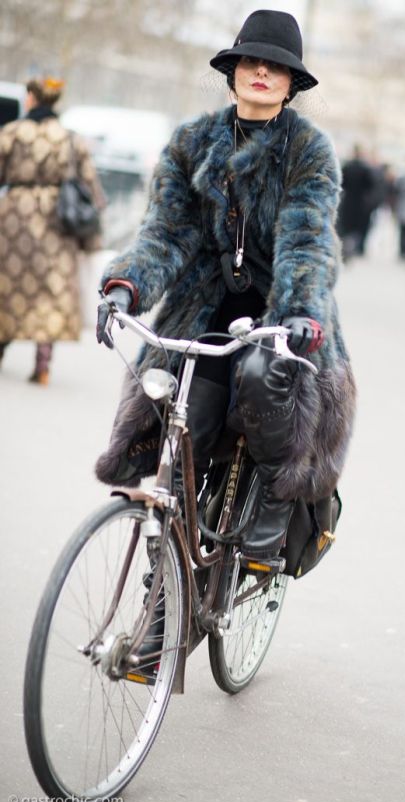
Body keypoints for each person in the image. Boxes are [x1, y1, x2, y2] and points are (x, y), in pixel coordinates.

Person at [95, 9, 356, 560]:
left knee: (266, 375)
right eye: (251, 60)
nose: (261, 71)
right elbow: (166, 233)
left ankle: (274, 500)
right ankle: (167, 589)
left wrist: (301, 310)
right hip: (205, 310)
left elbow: (306, 239)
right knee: (184, 428)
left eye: (276, 66)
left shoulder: (309, 150)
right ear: (233, 70)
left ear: (291, 84)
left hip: (282, 313)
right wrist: (126, 285)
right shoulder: (192, 141)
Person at [0, 76, 104, 384]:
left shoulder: (11, 133)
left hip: (14, 216)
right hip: (58, 219)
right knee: (51, 291)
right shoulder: (72, 139)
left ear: (31, 98)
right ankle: (43, 365)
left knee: (8, 284)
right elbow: (92, 188)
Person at [337, 144, 378, 259]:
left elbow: (341, 182)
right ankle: (357, 248)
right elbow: (371, 185)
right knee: (359, 226)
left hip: (348, 200)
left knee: (345, 225)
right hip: (360, 202)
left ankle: (345, 246)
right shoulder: (366, 168)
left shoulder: (347, 166)